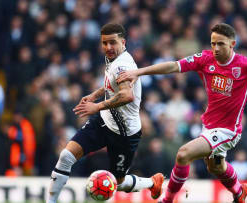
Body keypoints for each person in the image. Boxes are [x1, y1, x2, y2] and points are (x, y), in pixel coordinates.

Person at [117, 23, 247, 203]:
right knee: (216, 168)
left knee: (183, 154)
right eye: (213, 43)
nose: (216, 48)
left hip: (228, 130)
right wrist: (139, 72)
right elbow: (173, 66)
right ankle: (239, 192)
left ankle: (167, 200)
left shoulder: (245, 65)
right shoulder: (205, 59)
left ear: (232, 44)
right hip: (209, 125)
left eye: (221, 44)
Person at [46, 23, 164, 203]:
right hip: (104, 121)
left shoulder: (122, 65)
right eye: (104, 43)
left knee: (119, 182)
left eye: (112, 43)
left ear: (123, 42)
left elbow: (127, 95)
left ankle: (151, 182)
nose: (108, 47)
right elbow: (112, 84)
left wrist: (96, 106)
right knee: (66, 156)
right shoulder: (114, 59)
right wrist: (94, 95)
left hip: (124, 134)